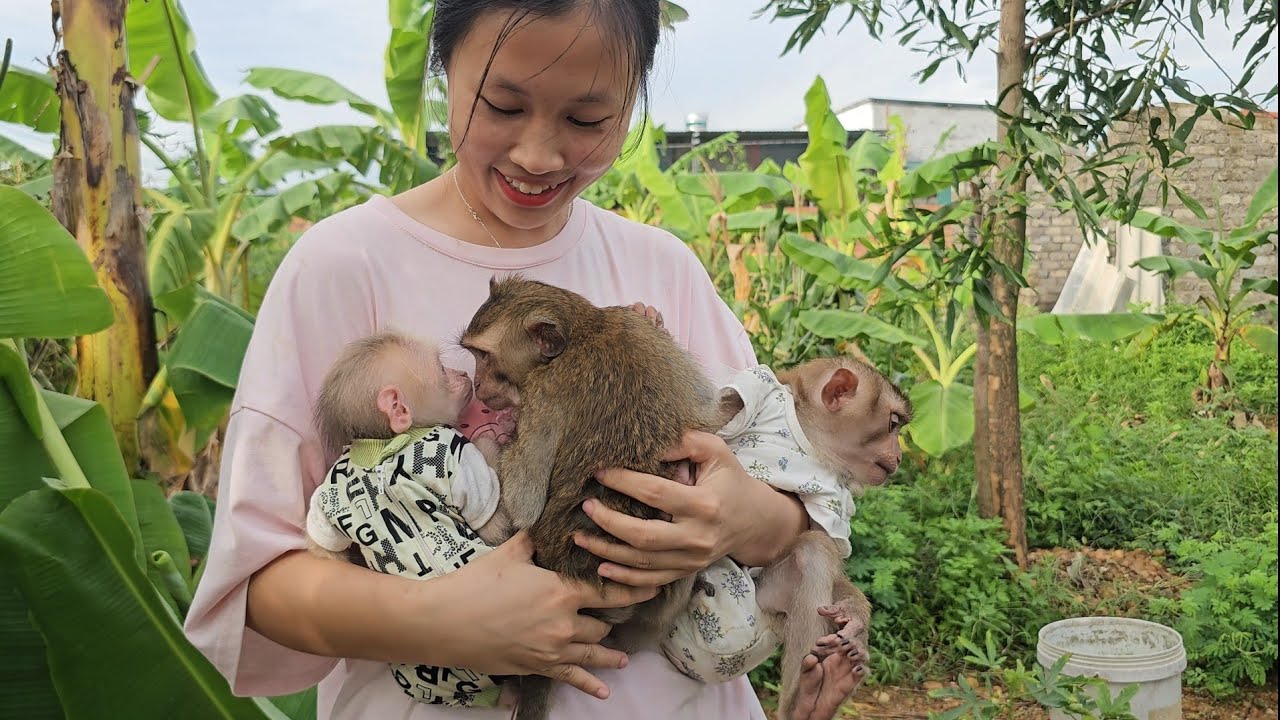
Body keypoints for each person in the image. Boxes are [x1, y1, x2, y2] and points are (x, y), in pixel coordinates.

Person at [184, 2, 842, 718]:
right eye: (501, 104)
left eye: (588, 120)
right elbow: (259, 581)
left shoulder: (662, 266)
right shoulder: (343, 265)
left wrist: (745, 518)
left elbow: (798, 511)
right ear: (444, 71)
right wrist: (437, 620)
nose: (539, 155)